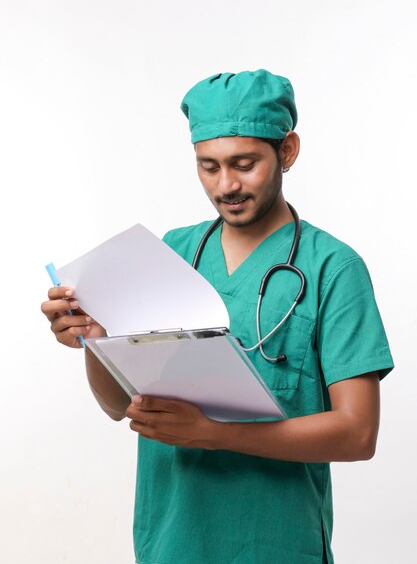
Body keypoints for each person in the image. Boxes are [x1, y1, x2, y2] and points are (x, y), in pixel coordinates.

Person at [41, 69, 394, 564]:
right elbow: (118, 405)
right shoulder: (172, 252)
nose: (226, 185)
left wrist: (216, 434)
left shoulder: (333, 268)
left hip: (276, 547)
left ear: (287, 151)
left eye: (244, 164)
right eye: (208, 167)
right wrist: (96, 341)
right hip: (169, 542)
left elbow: (358, 434)